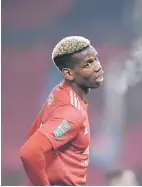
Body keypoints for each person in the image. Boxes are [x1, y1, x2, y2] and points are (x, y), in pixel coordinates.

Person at [20, 36, 104, 186]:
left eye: (96, 59)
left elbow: (32, 134)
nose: (97, 66)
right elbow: (30, 152)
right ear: (68, 74)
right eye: (88, 64)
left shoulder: (60, 91)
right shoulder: (71, 114)